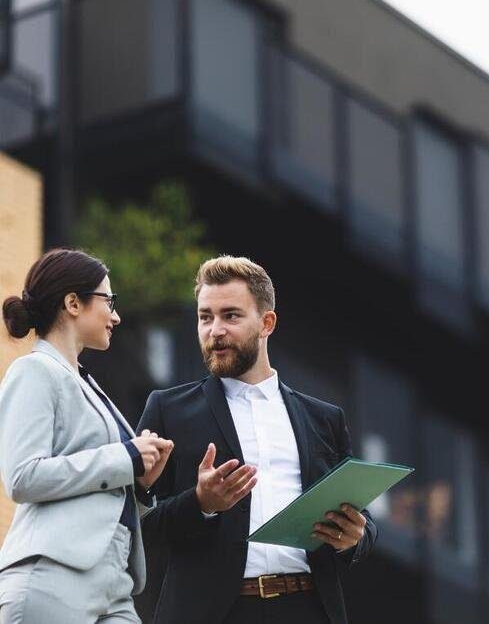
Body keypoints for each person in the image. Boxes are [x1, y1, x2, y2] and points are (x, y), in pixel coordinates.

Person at [138, 256, 377, 624]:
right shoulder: (168, 410)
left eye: (230, 316)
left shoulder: (324, 419)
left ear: (267, 323)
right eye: (205, 317)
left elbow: (360, 518)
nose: (215, 330)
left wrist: (356, 536)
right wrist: (200, 503)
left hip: (308, 607)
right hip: (213, 614)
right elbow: (137, 525)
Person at [0, 248, 174, 623]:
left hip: (116, 586)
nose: (116, 315)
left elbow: (102, 495)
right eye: (108, 300)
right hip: (53, 577)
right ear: (73, 303)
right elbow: (22, 477)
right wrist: (125, 458)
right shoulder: (33, 371)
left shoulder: (87, 384)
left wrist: (141, 484)